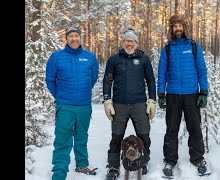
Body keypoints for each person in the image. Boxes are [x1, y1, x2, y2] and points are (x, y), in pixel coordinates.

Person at [157, 14, 209, 176]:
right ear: (171, 29)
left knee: (194, 128)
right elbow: (162, 72)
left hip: (192, 94)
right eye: (175, 26)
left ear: (184, 28)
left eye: (180, 26)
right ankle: (170, 160)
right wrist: (161, 93)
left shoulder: (194, 46)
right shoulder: (167, 48)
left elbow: (201, 69)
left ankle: (198, 158)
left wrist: (204, 92)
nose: (178, 29)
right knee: (171, 129)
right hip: (172, 94)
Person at [102, 28, 156, 180]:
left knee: (144, 136)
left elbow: (151, 80)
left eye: (132, 41)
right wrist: (107, 100)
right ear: (123, 42)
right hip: (119, 105)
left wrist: (152, 100)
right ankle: (113, 166)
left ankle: (143, 161)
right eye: (127, 40)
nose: (129, 43)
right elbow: (107, 81)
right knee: (116, 137)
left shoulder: (144, 59)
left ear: (136, 43)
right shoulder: (114, 59)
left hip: (139, 104)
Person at [45, 26, 99, 180]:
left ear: (80, 38)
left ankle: (82, 164)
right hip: (65, 105)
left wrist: (83, 92)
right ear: (66, 39)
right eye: (71, 36)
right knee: (63, 138)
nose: (74, 38)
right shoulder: (57, 57)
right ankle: (60, 171)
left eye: (76, 35)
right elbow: (50, 79)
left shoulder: (89, 57)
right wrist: (60, 95)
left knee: (82, 136)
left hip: (84, 105)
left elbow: (92, 78)